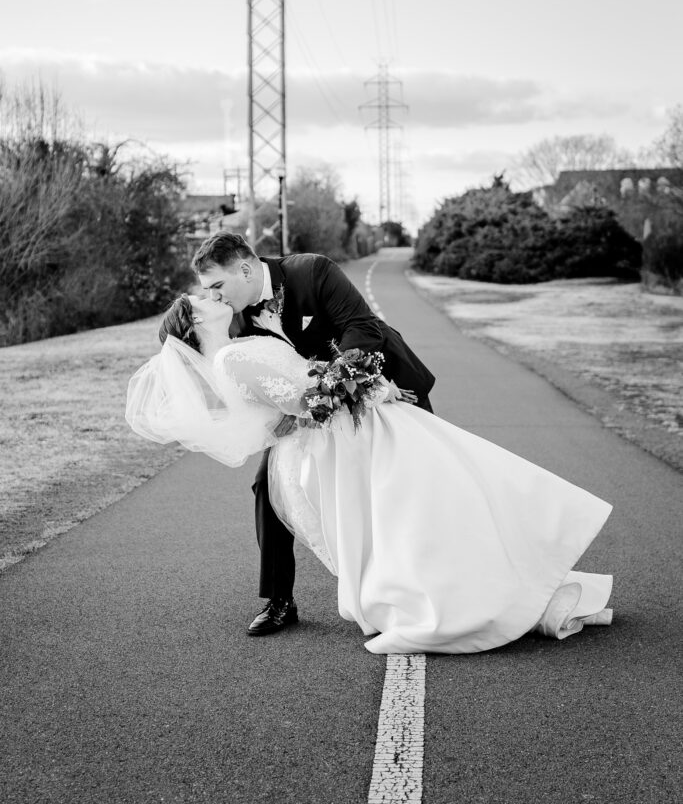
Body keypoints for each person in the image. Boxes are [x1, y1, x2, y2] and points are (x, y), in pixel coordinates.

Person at [126, 291, 614, 655]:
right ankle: (462, 588)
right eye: (202, 297)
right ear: (192, 320)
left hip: (346, 430)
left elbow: (301, 386)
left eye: (212, 287)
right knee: (412, 508)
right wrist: (363, 384)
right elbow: (302, 400)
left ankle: (479, 581)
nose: (213, 294)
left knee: (422, 503)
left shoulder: (244, 343)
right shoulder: (230, 358)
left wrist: (360, 382)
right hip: (333, 444)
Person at [189, 233, 436, 637]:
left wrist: (336, 392)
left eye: (217, 286)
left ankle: (429, 572)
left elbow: (362, 328)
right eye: (208, 291)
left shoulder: (312, 271)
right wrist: (291, 413)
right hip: (310, 410)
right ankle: (279, 600)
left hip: (383, 385)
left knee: (415, 478)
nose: (214, 298)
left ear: (246, 269)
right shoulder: (235, 315)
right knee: (266, 484)